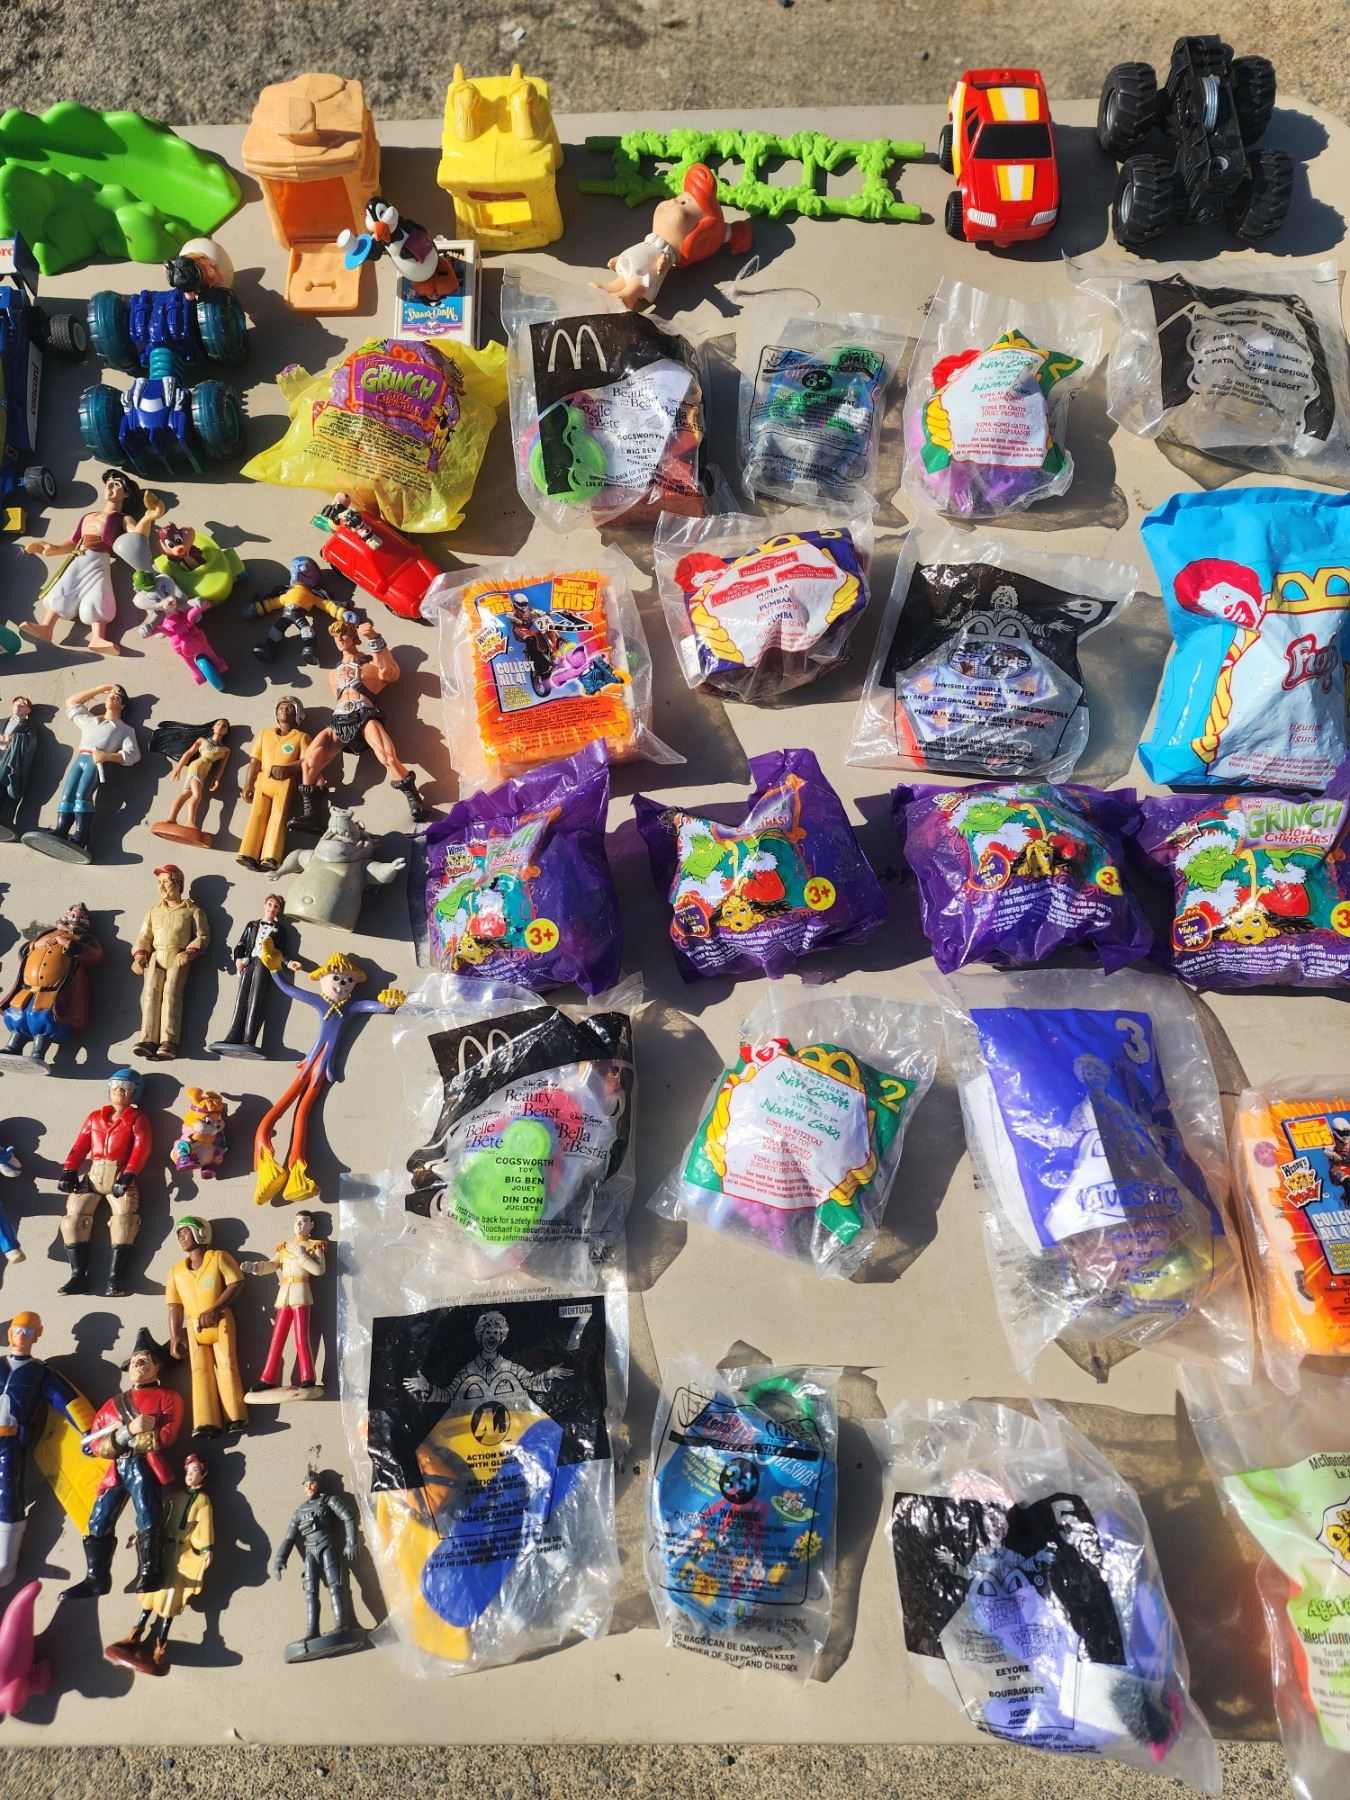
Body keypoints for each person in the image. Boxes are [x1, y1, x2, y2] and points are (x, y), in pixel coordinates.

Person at [251, 944, 404, 1206]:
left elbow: (377, 1006)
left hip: (322, 1068)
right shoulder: (321, 1001)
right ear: (322, 978)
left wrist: (390, 1002)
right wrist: (275, 969)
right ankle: (267, 1165)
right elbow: (291, 990)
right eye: (337, 978)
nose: (342, 984)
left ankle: (296, 1173)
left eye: (348, 981)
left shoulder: (351, 1007)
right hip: (311, 1065)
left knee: (302, 1112)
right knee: (282, 1108)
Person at [67, 1327, 184, 1600]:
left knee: (148, 1514)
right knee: (99, 1519)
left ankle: (151, 1572)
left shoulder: (169, 1398)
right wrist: (128, 1431)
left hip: (144, 1465)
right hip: (117, 1468)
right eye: (134, 1362)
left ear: (157, 1367)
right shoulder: (112, 1405)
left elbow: (164, 1438)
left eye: (144, 1361)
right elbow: (96, 1446)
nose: (138, 1366)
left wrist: (129, 1437)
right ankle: (96, 1577)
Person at [297, 619, 429, 825]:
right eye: (335, 636)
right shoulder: (333, 674)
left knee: (387, 756)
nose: (339, 639)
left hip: (364, 714)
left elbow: (390, 674)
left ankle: (414, 799)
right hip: (340, 718)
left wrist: (375, 639)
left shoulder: (371, 664)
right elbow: (339, 699)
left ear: (353, 636)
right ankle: (311, 815)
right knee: (309, 761)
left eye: (343, 634)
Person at [0, 1312, 93, 1587]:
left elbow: (68, 1402)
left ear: (38, 1335)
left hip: (11, 1443)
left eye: (29, 1332)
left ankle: (5, 1564)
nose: (22, 1336)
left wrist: (90, 1431)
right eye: (18, 1330)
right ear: (9, 1333)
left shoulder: (41, 1373)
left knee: (8, 1495)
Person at [104, 1450, 212, 1676]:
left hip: (179, 1553)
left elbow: (205, 1526)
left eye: (195, 1471)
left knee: (170, 1598)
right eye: (188, 1471)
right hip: (162, 1548)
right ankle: (135, 1635)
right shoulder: (175, 1497)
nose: (190, 1475)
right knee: (151, 1592)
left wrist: (206, 1547)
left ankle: (160, 1646)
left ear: (203, 1474)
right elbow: (155, 1518)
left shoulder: (203, 1501)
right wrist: (140, 1536)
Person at [592, 162, 750, 311]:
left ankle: (627, 297)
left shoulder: (666, 252)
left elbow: (661, 263)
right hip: (640, 256)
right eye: (681, 198)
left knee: (638, 281)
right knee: (626, 275)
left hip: (651, 267)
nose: (674, 200)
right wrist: (620, 259)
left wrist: (662, 262)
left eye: (684, 205)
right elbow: (638, 253)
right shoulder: (652, 239)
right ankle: (607, 289)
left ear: (694, 240)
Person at [20, 470, 145, 654]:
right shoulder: (89, 516)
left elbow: (137, 536)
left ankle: (98, 637)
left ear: (126, 494)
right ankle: (47, 627)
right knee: (63, 586)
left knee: (99, 593)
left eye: (116, 484)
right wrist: (52, 548)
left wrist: (148, 518)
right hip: (79, 557)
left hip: (99, 560)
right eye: (109, 484)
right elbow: (73, 541)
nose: (110, 487)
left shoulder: (123, 519)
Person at [57, 1068, 152, 1297]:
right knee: (72, 1220)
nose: (119, 1091)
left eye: (126, 1087)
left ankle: (114, 1278)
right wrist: (69, 1170)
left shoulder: (137, 1118)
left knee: (125, 1222)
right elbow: (80, 1145)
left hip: (119, 1174)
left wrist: (129, 1174)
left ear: (135, 1093)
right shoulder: (94, 1117)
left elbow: (142, 1147)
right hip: (93, 1173)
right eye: (115, 1085)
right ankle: (78, 1276)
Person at [21, 684, 139, 860]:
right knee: (67, 794)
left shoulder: (124, 729)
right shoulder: (90, 720)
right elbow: (72, 702)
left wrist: (108, 756)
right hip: (81, 758)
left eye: (117, 697)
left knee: (82, 795)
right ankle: (61, 829)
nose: (111, 698)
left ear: (123, 706)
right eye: (110, 695)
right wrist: (100, 689)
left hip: (95, 761)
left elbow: (134, 754)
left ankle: (81, 836)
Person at [165, 1217, 247, 1438]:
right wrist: (175, 1335)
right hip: (194, 1327)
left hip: (220, 1320)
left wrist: (215, 1308)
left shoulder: (218, 1257)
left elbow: (236, 1283)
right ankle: (206, 1421)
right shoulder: (176, 1272)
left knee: (227, 1364)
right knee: (199, 1372)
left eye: (185, 1232)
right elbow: (174, 1306)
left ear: (200, 1233)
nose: (180, 1237)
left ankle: (235, 1415)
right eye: (178, 1234)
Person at [272, 1469, 366, 1661]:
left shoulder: (329, 1500)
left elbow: (348, 1516)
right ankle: (312, 1631)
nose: (309, 1487)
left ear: (318, 1484)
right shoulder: (299, 1512)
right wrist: (280, 1559)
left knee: (335, 1586)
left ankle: (342, 1625)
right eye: (306, 1485)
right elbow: (289, 1538)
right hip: (310, 1553)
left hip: (327, 1546)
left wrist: (351, 1542)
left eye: (312, 1483)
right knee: (310, 1592)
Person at [0, 902, 103, 1070]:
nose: (75, 919)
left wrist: (68, 944)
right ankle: (12, 1047)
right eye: (72, 915)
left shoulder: (85, 939)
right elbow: (24, 952)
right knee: (18, 1015)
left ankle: (38, 1053)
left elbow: (96, 957)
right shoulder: (47, 934)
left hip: (55, 991)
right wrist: (35, 945)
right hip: (28, 988)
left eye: (80, 917)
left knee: (46, 1019)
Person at [130, 864, 210, 1061]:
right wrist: (139, 956)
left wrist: (190, 952)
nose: (161, 886)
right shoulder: (153, 911)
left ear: (178, 884)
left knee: (171, 994)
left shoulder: (192, 910)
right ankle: (148, 1039)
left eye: (165, 881)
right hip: (157, 956)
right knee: (150, 995)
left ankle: (169, 1041)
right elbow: (144, 936)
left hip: (177, 956)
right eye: (159, 882)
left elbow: (203, 936)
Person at [245, 1212, 325, 1395]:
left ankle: (307, 1377)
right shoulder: (284, 1247)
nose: (299, 1224)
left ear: (311, 1225)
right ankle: (267, 1378)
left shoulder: (314, 1246)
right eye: (297, 1221)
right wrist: (256, 1267)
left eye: (304, 1221)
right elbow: (273, 1265)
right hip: (284, 1296)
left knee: (301, 1338)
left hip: (301, 1294)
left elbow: (319, 1270)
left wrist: (303, 1256)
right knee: (276, 1339)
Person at [209, 894, 296, 1058]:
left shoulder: (280, 931)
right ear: (264, 905)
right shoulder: (252, 925)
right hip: (249, 962)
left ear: (279, 910)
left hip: (264, 965)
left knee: (256, 1000)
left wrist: (289, 962)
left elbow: (280, 952)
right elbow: (241, 944)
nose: (271, 908)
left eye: (276, 906)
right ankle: (233, 1036)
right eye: (270, 904)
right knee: (241, 999)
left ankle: (249, 1039)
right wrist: (238, 960)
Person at [236, 697, 310, 870]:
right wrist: (248, 784)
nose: (284, 710)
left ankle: (271, 855)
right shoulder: (264, 734)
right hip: (263, 780)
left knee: (278, 816)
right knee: (256, 814)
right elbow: (255, 761)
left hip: (284, 783)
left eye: (289, 708)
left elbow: (307, 760)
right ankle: (248, 852)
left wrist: (288, 768)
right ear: (275, 713)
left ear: (298, 714)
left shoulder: (301, 737)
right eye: (281, 707)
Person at [244, 556, 355, 667]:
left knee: (307, 632)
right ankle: (269, 649)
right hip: (286, 615)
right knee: (275, 631)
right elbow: (272, 603)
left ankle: (311, 651)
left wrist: (342, 613)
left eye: (303, 569)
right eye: (294, 568)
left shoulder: (312, 595)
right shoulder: (286, 593)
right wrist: (257, 608)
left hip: (299, 616)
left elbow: (326, 605)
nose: (296, 571)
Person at [149, 719, 231, 845]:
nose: (220, 726)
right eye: (218, 724)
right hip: (196, 766)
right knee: (197, 795)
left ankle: (171, 818)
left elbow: (221, 767)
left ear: (226, 731)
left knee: (185, 794)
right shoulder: (202, 741)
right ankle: (189, 821)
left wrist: (216, 779)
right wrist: (178, 768)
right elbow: (188, 753)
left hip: (204, 771)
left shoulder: (225, 750)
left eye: (224, 726)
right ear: (213, 727)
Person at [0, 697, 38, 839]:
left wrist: (12, 740)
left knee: (4, 789)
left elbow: (29, 745)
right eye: (16, 704)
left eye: (22, 705)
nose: (18, 707)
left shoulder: (29, 727)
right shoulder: (2, 722)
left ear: (28, 710)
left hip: (10, 763)